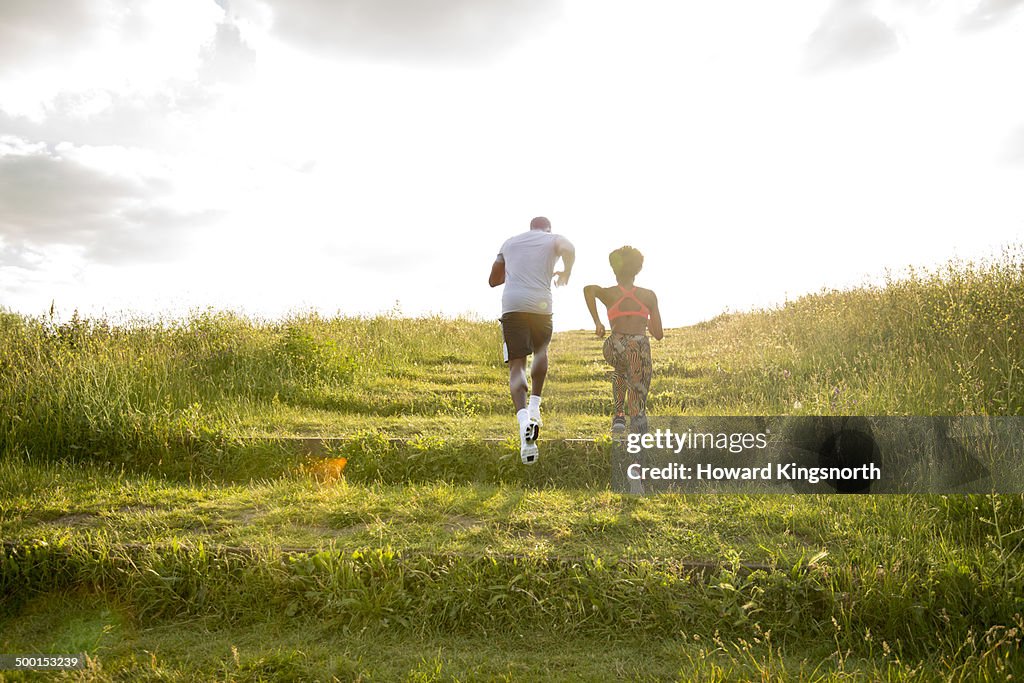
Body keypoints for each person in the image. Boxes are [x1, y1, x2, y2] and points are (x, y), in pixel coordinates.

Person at [489, 216, 575, 464]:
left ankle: (523, 420)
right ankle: (535, 407)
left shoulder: (510, 242)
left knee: (517, 363)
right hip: (540, 305)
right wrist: (566, 271)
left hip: (513, 305)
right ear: (548, 228)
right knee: (540, 351)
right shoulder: (553, 239)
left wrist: (518, 269)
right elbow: (569, 249)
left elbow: (494, 280)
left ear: (530, 228)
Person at [583, 246, 663, 433]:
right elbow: (658, 334)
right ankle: (637, 416)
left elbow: (588, 289)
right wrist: (646, 319)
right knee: (638, 361)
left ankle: (619, 415)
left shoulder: (609, 293)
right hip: (636, 349)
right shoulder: (648, 296)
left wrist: (598, 322)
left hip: (614, 347)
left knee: (624, 366)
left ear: (614, 270)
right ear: (637, 270)